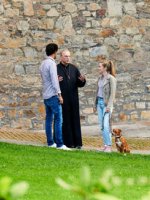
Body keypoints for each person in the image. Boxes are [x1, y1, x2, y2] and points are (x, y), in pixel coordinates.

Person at [39, 43, 70, 150]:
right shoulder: (51, 64)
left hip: (46, 95)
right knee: (58, 119)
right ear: (55, 52)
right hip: (52, 95)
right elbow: (54, 81)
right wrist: (59, 95)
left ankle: (50, 143)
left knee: (48, 119)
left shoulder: (43, 63)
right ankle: (60, 144)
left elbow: (44, 79)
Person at [57, 50, 86, 149]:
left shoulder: (74, 68)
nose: (68, 58)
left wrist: (82, 81)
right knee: (65, 121)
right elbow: (52, 83)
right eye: (65, 56)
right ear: (61, 57)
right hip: (63, 99)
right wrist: (56, 81)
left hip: (73, 99)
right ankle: (67, 143)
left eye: (69, 56)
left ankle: (77, 142)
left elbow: (79, 83)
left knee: (75, 120)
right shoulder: (56, 69)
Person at [94, 58, 117, 153]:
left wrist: (108, 107)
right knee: (102, 126)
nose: (98, 68)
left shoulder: (111, 79)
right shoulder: (100, 78)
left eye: (99, 66)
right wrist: (95, 104)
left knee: (106, 125)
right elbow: (97, 92)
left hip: (107, 104)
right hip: (99, 103)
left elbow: (112, 94)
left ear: (104, 68)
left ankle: (109, 146)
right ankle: (105, 145)